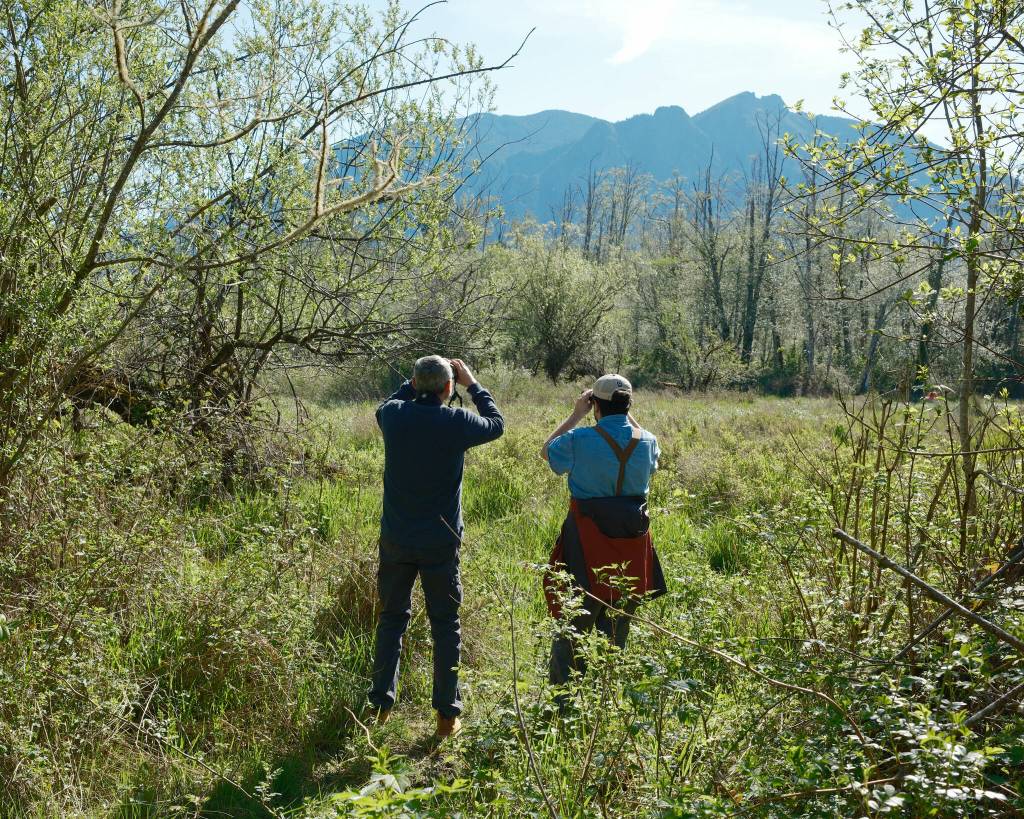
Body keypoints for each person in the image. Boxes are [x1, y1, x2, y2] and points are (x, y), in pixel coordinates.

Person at [368, 355, 504, 738]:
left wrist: (414, 384)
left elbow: (386, 405)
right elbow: (496, 425)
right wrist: (473, 384)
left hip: (396, 538)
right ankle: (446, 716)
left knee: (391, 620)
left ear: (413, 383)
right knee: (446, 625)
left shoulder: (394, 416)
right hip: (441, 542)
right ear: (449, 388)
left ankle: (380, 707)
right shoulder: (456, 421)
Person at [541, 374, 666, 696]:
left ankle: (563, 700)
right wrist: (625, 415)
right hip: (633, 540)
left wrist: (576, 414)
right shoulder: (648, 440)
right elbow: (653, 459)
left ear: (594, 404)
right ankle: (606, 696)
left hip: (586, 537)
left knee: (575, 621)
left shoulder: (580, 439)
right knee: (618, 622)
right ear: (628, 404)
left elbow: (547, 452)